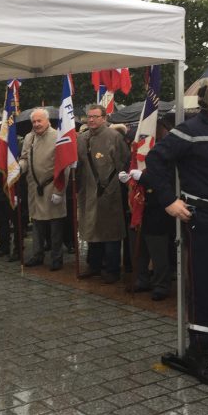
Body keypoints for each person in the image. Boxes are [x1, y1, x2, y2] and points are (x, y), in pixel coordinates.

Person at [144, 77, 208, 387]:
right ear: (207, 99)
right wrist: (169, 201)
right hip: (205, 221)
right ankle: (198, 353)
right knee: (203, 289)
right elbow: (155, 160)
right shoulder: (191, 129)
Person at [76, 104, 129, 283]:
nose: (91, 119)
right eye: (89, 116)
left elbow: (123, 164)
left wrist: (111, 187)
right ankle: (94, 265)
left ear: (104, 118)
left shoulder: (114, 137)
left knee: (110, 232)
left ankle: (113, 269)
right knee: (91, 229)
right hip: (88, 191)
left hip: (109, 192)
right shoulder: (81, 139)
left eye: (95, 116)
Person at [130, 117, 176, 301]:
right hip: (140, 204)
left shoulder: (168, 152)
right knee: (140, 246)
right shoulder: (141, 147)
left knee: (158, 249)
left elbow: (165, 179)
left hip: (158, 205)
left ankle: (161, 284)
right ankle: (142, 278)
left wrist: (143, 178)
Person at [19, 108, 67, 271]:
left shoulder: (58, 137)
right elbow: (25, 158)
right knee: (37, 224)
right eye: (34, 121)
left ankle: (56, 258)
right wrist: (18, 168)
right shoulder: (29, 137)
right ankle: (37, 254)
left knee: (55, 226)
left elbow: (63, 166)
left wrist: (60, 191)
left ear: (48, 121)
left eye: (39, 121)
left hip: (52, 186)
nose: (36, 124)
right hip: (34, 187)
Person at [0, 126, 21, 261]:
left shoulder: (14, 146)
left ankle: (18, 250)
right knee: (1, 221)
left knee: (16, 221)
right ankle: (3, 246)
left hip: (12, 188)